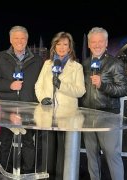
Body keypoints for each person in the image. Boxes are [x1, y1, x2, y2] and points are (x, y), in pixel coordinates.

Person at [0, 25, 43, 173]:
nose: (19, 41)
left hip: (28, 106)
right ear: (10, 40)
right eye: (16, 38)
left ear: (27, 39)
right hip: (7, 106)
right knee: (5, 141)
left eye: (22, 38)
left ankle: (28, 171)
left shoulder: (38, 60)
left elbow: (42, 84)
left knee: (28, 142)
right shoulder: (0, 57)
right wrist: (10, 85)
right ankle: (3, 171)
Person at [34, 31, 86, 179]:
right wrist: (43, 98)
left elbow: (80, 91)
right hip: (47, 114)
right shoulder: (47, 64)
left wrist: (61, 85)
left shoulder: (77, 67)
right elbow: (38, 85)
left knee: (64, 151)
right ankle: (47, 176)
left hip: (67, 115)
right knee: (48, 151)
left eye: (65, 44)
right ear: (54, 46)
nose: (62, 47)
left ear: (70, 48)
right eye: (59, 44)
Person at [80, 27, 127, 180]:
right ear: (88, 44)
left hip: (108, 115)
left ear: (106, 43)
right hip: (88, 115)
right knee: (91, 155)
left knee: (112, 154)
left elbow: (122, 89)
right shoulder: (85, 64)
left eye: (100, 41)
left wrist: (103, 85)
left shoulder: (115, 63)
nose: (97, 44)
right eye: (93, 42)